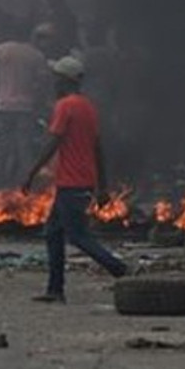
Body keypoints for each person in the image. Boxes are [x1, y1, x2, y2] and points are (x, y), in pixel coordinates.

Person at [23, 57, 130, 303]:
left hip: (72, 183)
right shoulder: (88, 107)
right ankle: (55, 290)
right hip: (80, 182)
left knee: (78, 235)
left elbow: (53, 142)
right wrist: (102, 186)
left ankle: (118, 268)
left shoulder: (65, 106)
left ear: (64, 80)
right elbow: (98, 148)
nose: (53, 83)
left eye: (56, 78)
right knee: (53, 232)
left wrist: (32, 172)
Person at [0, 23, 55, 185]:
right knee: (24, 146)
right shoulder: (35, 55)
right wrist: (40, 101)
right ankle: (26, 182)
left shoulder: (0, 50)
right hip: (26, 107)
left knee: (3, 145)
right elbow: (43, 82)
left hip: (3, 105)